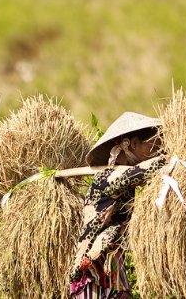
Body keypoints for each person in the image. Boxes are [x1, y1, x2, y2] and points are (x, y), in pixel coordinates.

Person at [70, 112, 167, 299]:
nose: (157, 152)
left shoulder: (127, 185)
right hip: (93, 271)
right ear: (134, 143)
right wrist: (173, 158)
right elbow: (145, 170)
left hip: (113, 269)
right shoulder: (107, 177)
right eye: (154, 146)